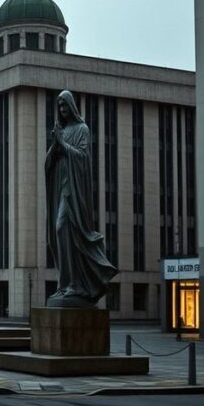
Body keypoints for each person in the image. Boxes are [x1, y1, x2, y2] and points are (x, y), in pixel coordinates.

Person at [45, 90, 118, 308]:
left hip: (74, 191)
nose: (62, 110)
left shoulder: (81, 129)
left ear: (72, 106)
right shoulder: (63, 130)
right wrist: (55, 145)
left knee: (64, 227)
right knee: (59, 231)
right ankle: (66, 282)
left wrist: (63, 145)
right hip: (61, 187)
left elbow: (83, 158)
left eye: (64, 105)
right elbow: (49, 162)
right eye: (59, 107)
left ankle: (76, 283)